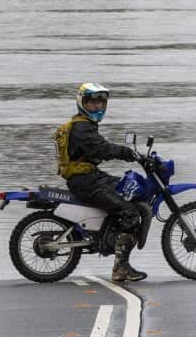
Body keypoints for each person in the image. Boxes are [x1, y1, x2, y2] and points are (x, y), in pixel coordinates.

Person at [53, 82, 150, 282]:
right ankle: (120, 268)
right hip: (86, 182)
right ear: (82, 103)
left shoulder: (84, 125)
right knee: (130, 212)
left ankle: (110, 232)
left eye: (100, 102)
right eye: (92, 102)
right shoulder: (82, 128)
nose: (97, 106)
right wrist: (128, 153)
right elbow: (101, 149)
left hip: (90, 176)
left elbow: (99, 149)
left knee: (125, 188)